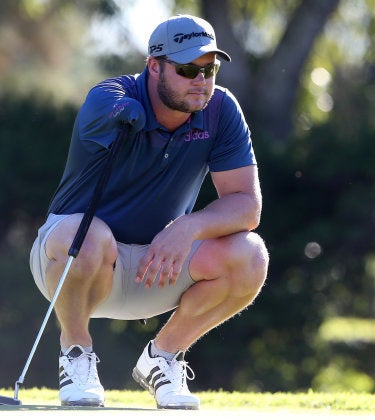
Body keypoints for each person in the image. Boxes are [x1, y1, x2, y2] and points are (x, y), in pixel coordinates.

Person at [29, 14, 268, 410]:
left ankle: (164, 358)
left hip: (158, 262)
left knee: (251, 255)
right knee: (88, 238)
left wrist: (189, 227)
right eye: (187, 68)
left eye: (209, 69)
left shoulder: (222, 110)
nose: (201, 79)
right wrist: (127, 118)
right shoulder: (109, 98)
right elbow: (104, 110)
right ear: (154, 66)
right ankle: (75, 353)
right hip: (72, 261)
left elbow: (246, 204)